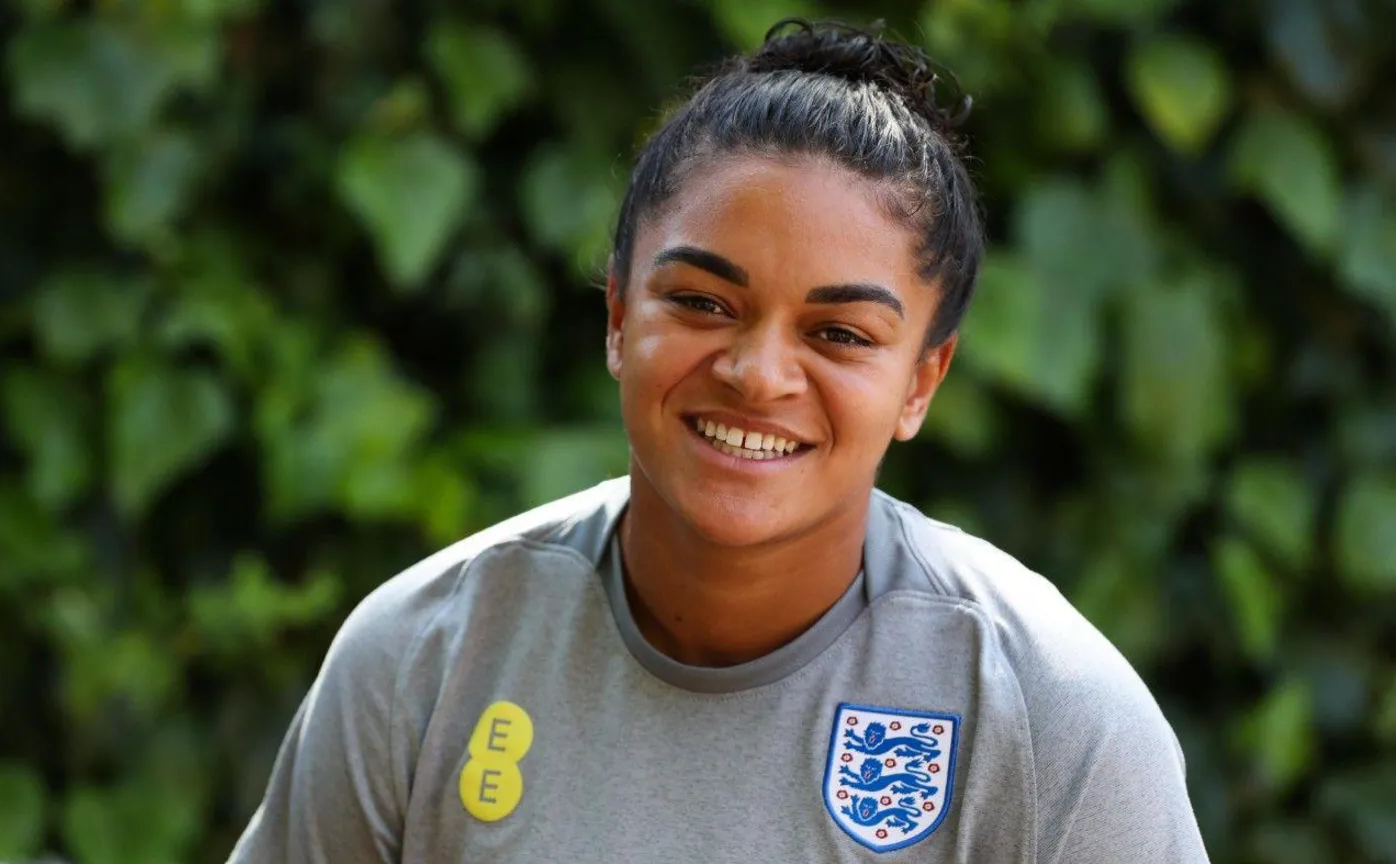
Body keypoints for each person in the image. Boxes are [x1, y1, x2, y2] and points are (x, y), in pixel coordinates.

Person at [227, 18, 1210, 863]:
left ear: (920, 381)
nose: (758, 373)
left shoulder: (1049, 717)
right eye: (701, 301)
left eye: (839, 335)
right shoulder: (425, 658)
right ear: (618, 316)